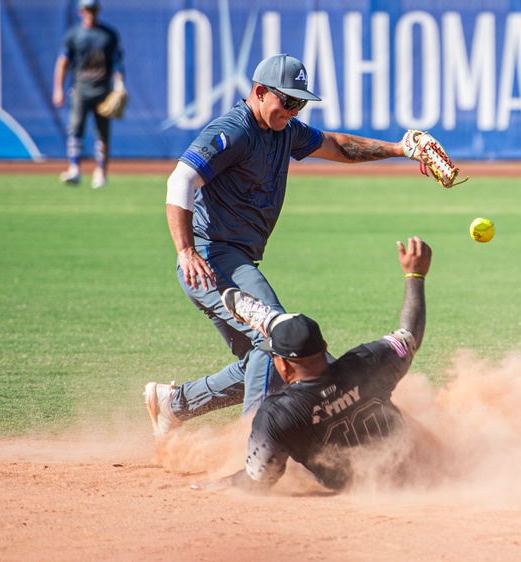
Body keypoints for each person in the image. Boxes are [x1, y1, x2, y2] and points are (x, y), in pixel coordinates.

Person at [143, 53, 438, 431]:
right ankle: (251, 443)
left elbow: (337, 145)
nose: (293, 111)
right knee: (278, 336)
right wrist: (185, 251)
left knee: (272, 359)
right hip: (213, 257)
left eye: (300, 103)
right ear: (261, 92)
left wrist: (401, 148)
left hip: (236, 257)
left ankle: (175, 403)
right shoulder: (235, 129)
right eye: (288, 101)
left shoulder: (284, 131)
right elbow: (180, 180)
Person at [166, 236, 430, 492]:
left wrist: (225, 482)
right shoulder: (367, 363)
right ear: (325, 345)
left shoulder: (278, 415)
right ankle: (270, 322)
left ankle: (270, 323)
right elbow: (411, 332)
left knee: (296, 460)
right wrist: (414, 275)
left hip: (348, 485)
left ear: (283, 365)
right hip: (409, 465)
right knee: (330, 372)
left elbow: (259, 481)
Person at [52, 0, 124, 189]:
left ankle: (101, 171)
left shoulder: (108, 35)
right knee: (75, 128)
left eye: (93, 8)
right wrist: (58, 88)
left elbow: (116, 64)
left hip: (103, 90)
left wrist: (119, 84)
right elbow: (63, 62)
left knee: (102, 133)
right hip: (80, 89)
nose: (90, 12)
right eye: (86, 8)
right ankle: (74, 168)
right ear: (80, 10)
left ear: (97, 10)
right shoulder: (74, 34)